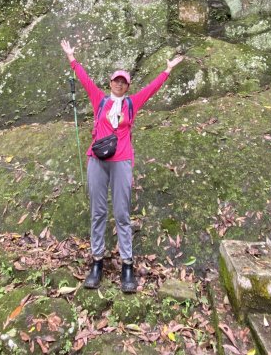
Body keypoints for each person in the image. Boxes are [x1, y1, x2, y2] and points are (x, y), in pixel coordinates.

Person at [61, 39, 183, 292]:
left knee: (122, 214)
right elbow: (84, 80)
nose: (119, 83)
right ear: (110, 83)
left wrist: (167, 70)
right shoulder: (100, 100)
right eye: (116, 80)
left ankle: (127, 265)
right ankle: (97, 262)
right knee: (98, 211)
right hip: (97, 161)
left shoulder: (131, 103)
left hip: (122, 161)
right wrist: (72, 58)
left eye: (123, 81)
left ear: (127, 86)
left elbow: (151, 89)